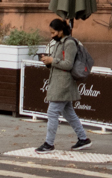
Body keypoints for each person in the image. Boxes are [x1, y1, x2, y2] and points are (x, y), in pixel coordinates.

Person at [35, 18, 91, 153]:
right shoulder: (60, 42)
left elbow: (68, 64)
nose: (51, 35)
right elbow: (59, 63)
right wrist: (48, 62)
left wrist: (52, 60)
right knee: (69, 112)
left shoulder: (69, 43)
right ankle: (83, 139)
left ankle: (49, 143)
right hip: (59, 82)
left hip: (63, 84)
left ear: (61, 31)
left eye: (53, 32)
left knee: (52, 112)